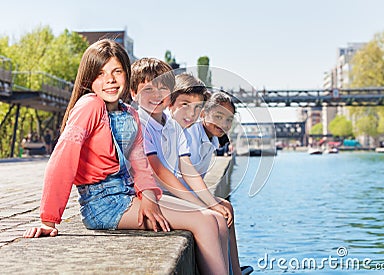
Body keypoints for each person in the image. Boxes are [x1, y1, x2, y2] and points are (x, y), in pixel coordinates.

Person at [23, 40, 231, 275]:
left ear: (126, 73)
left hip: (130, 196)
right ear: (88, 78)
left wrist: (150, 199)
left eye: (117, 71)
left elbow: (141, 166)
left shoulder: (130, 114)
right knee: (203, 222)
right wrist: (48, 220)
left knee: (216, 219)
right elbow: (62, 160)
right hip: (103, 205)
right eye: (100, 73)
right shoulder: (90, 106)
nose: (109, 80)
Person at [131, 59, 240, 274]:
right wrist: (202, 204)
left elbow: (187, 167)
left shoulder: (173, 127)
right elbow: (159, 172)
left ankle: (232, 271)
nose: (157, 95)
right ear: (133, 93)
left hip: (162, 194)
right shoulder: (138, 122)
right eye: (148, 89)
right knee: (209, 219)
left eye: (163, 89)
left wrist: (208, 201)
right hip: (146, 196)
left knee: (220, 214)